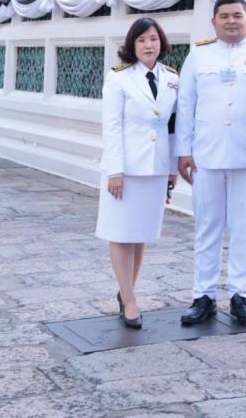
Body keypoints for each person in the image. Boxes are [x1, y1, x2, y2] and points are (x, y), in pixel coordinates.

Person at [175, 0, 246, 327]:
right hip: (207, 152)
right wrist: (184, 149)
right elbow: (186, 104)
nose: (231, 21)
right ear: (214, 21)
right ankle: (203, 295)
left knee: (245, 228)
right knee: (207, 227)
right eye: (224, 16)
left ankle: (241, 294)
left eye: (237, 15)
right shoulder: (199, 54)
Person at [95, 17, 178, 329]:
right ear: (132, 45)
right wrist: (115, 170)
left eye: (154, 39)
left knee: (140, 233)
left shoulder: (171, 78)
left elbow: (173, 128)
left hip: (155, 169)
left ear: (162, 43)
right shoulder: (118, 79)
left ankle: (128, 290)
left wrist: (172, 170)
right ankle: (129, 300)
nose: (148, 45)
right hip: (125, 170)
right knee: (120, 232)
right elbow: (112, 127)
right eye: (142, 40)